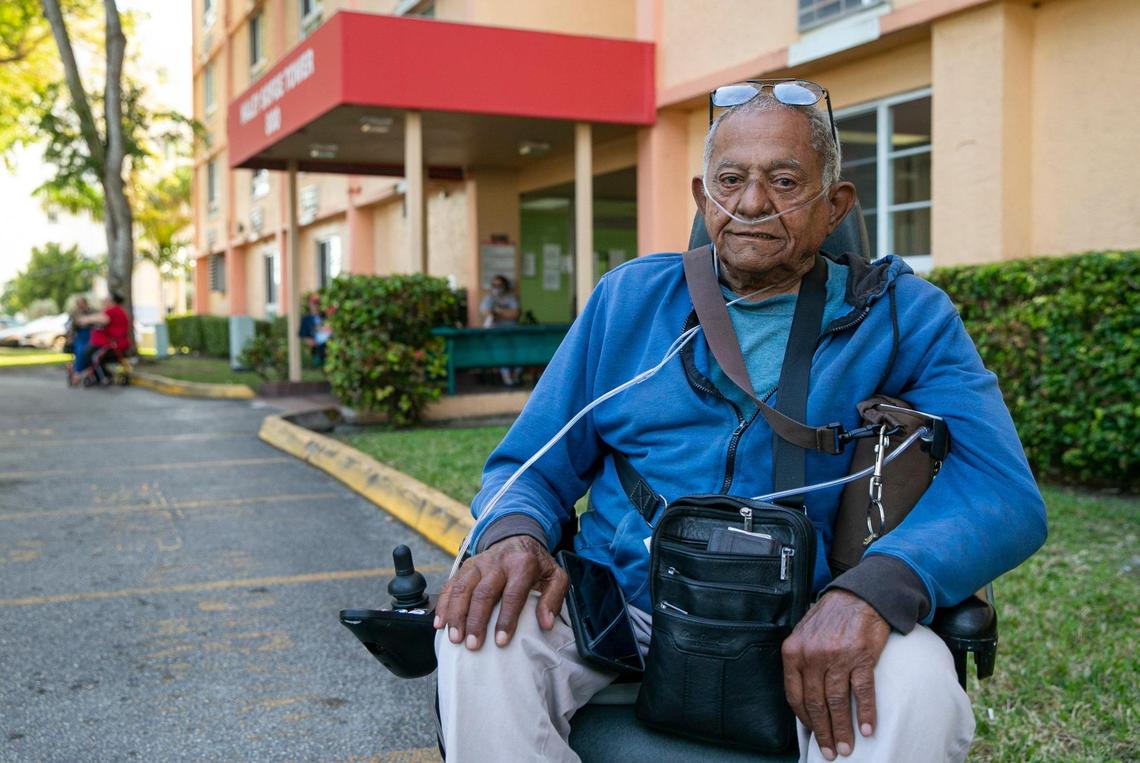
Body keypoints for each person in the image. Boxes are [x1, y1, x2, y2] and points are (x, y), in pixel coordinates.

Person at [433, 83, 1047, 763]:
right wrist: (514, 533)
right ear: (704, 198)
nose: (752, 203)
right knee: (481, 632)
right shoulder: (629, 300)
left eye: (784, 180)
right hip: (624, 606)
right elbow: (527, 468)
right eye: (732, 179)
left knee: (920, 686)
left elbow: (1002, 491)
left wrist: (878, 586)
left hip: (809, 616)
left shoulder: (905, 314)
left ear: (834, 205)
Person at [479, 274, 522, 386]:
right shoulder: (489, 298)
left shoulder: (511, 298)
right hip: (496, 334)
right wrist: (504, 313)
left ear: (505, 285)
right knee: (501, 351)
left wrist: (499, 312)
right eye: (494, 285)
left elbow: (515, 314)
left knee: (521, 350)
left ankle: (516, 376)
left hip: (512, 333)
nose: (497, 287)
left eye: (499, 285)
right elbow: (487, 313)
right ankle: (507, 378)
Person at [77, 293, 131, 380]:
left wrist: (86, 319)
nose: (104, 303)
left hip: (115, 344)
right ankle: (100, 374)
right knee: (91, 352)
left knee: (90, 354)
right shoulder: (119, 310)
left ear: (111, 301)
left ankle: (95, 375)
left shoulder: (113, 310)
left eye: (106, 300)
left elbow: (103, 319)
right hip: (118, 343)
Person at [66, 295, 96, 379]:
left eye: (81, 302)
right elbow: (70, 326)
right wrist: (70, 336)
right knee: (79, 351)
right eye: (78, 303)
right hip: (80, 334)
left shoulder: (92, 311)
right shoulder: (75, 313)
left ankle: (84, 370)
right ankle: (78, 371)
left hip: (90, 333)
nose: (80, 304)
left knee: (89, 351)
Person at [299, 294, 331, 368]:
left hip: (327, 347)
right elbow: (303, 335)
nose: (316, 306)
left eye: (317, 303)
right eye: (314, 303)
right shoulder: (306, 319)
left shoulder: (325, 316)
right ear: (310, 304)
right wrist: (310, 342)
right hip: (316, 350)